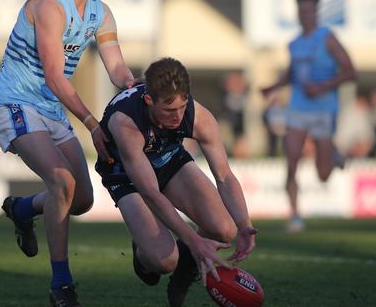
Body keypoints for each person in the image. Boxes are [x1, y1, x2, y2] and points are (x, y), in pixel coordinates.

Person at [0, 0, 139, 306]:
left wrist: (136, 86)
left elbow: (116, 66)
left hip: (52, 111)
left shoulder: (101, 14)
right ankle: (62, 285)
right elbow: (55, 77)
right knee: (62, 182)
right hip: (16, 104)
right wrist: (91, 123)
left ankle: (22, 210)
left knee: (82, 200)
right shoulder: (49, 7)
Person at [94, 58, 257, 307]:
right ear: (149, 101)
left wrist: (245, 224)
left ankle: (184, 273)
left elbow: (224, 175)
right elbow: (150, 193)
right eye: (169, 111)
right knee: (163, 261)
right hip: (126, 176)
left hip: (168, 160)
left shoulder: (197, 115)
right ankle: (143, 250)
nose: (177, 117)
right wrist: (195, 241)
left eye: (182, 107)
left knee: (226, 230)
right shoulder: (126, 122)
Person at [260, 0, 356, 232]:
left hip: (324, 109)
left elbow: (350, 72)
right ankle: (294, 215)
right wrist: (273, 87)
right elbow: (292, 74)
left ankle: (334, 157)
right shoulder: (294, 44)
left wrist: (322, 87)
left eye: (309, 10)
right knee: (291, 159)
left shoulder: (328, 38)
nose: (305, 15)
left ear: (317, 12)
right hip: (298, 108)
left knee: (323, 175)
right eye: (302, 11)